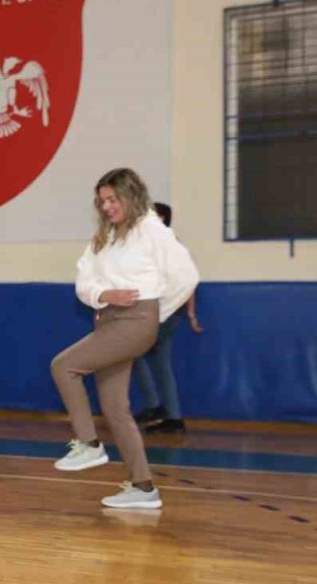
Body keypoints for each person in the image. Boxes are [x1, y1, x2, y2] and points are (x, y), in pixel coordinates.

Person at [49, 169, 198, 509]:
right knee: (116, 408)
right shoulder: (103, 237)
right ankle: (144, 488)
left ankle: (89, 444)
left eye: (113, 199)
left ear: (131, 196)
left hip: (135, 320)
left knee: (63, 366)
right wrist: (105, 294)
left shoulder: (151, 229)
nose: (107, 207)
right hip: (109, 320)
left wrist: (152, 314)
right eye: (102, 201)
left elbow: (186, 275)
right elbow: (83, 283)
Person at [132, 202, 204, 434]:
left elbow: (188, 280)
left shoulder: (167, 245)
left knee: (132, 352)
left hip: (164, 312)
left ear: (161, 218)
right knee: (161, 363)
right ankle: (173, 417)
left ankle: (154, 406)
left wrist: (191, 313)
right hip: (164, 312)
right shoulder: (158, 245)